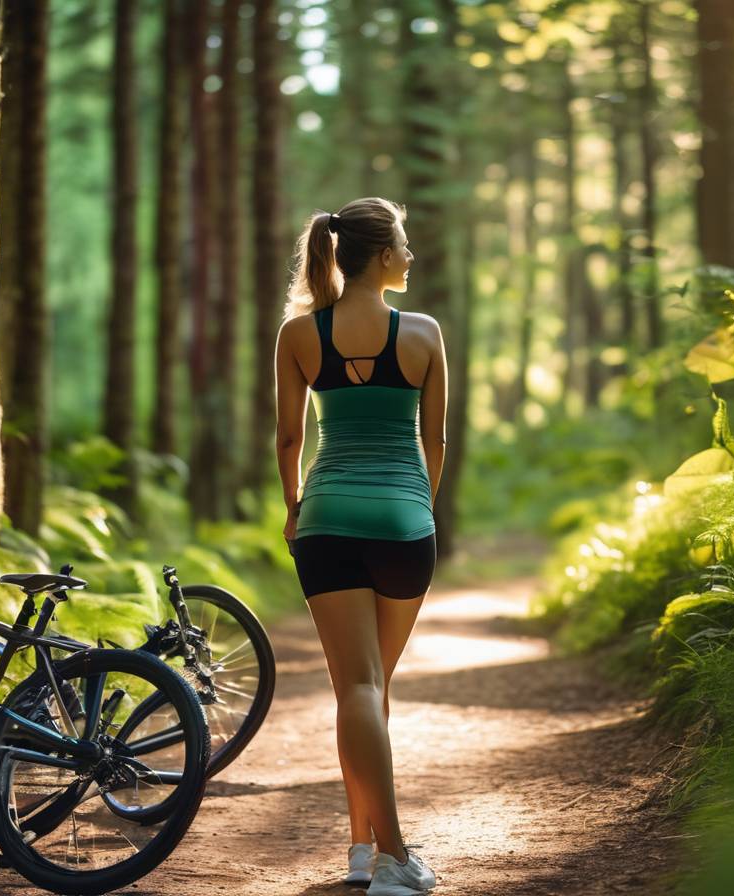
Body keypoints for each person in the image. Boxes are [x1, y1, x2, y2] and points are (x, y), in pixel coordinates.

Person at [274, 197, 446, 895]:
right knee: (373, 688)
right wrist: (417, 506)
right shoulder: (425, 332)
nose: (410, 256)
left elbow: (290, 440)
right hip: (404, 524)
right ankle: (394, 858)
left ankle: (359, 847)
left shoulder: (299, 334)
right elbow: (434, 442)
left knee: (357, 688)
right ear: (380, 256)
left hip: (327, 520)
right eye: (403, 245)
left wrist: (293, 509)